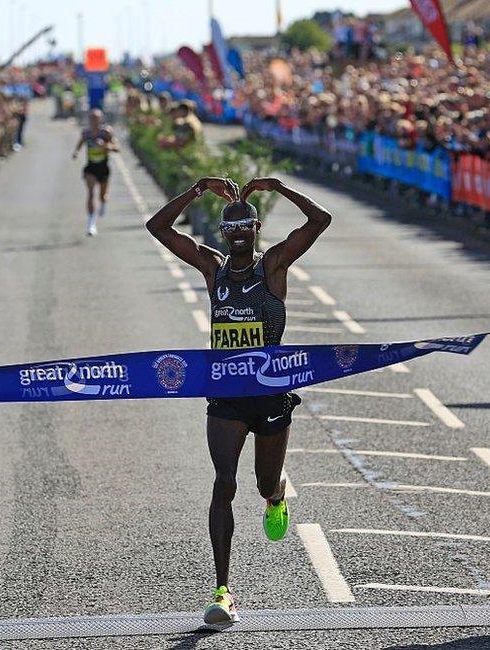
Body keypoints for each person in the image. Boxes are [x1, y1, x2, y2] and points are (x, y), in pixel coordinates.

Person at [146, 176, 332, 624]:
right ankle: (222, 591)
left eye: (247, 225)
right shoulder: (213, 269)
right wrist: (195, 190)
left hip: (269, 394)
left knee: (262, 484)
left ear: (256, 228)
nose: (240, 233)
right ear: (225, 234)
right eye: (232, 228)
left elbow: (320, 220)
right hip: (226, 396)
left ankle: (276, 494)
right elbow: (158, 227)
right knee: (223, 482)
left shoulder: (273, 268)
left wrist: (278, 187)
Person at [71, 109, 118, 236]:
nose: (94, 121)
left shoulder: (106, 132)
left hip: (103, 168)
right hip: (91, 168)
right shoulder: (86, 133)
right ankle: (91, 223)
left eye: (96, 119)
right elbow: (80, 142)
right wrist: (76, 152)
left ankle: (103, 203)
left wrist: (105, 146)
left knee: (102, 196)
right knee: (91, 193)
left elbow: (116, 148)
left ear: (100, 119)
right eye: (92, 119)